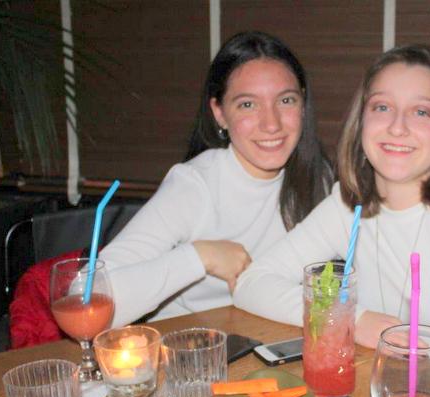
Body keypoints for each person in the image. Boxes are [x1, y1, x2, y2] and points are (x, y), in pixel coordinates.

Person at [233, 44, 430, 397]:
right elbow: (252, 284)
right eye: (382, 107)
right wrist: (355, 320)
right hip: (397, 389)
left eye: (421, 112)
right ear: (362, 122)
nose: (397, 127)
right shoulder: (347, 206)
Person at [101, 31, 333, 327]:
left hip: (269, 339)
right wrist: (199, 257)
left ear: (303, 104)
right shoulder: (194, 185)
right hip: (186, 344)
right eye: (248, 104)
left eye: (286, 100)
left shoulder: (319, 177)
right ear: (219, 113)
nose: (271, 124)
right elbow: (89, 298)